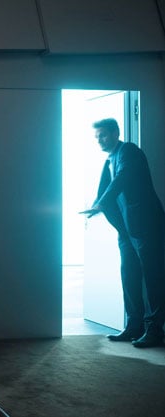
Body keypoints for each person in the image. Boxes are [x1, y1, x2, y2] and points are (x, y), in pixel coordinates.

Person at [81, 118, 165, 348]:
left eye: (104, 135)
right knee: (129, 276)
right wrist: (99, 206)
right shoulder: (109, 159)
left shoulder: (129, 151)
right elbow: (105, 190)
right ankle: (133, 326)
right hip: (127, 231)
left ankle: (155, 330)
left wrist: (100, 204)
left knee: (153, 278)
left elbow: (122, 179)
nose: (99, 140)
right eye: (96, 136)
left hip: (147, 227)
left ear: (116, 133)